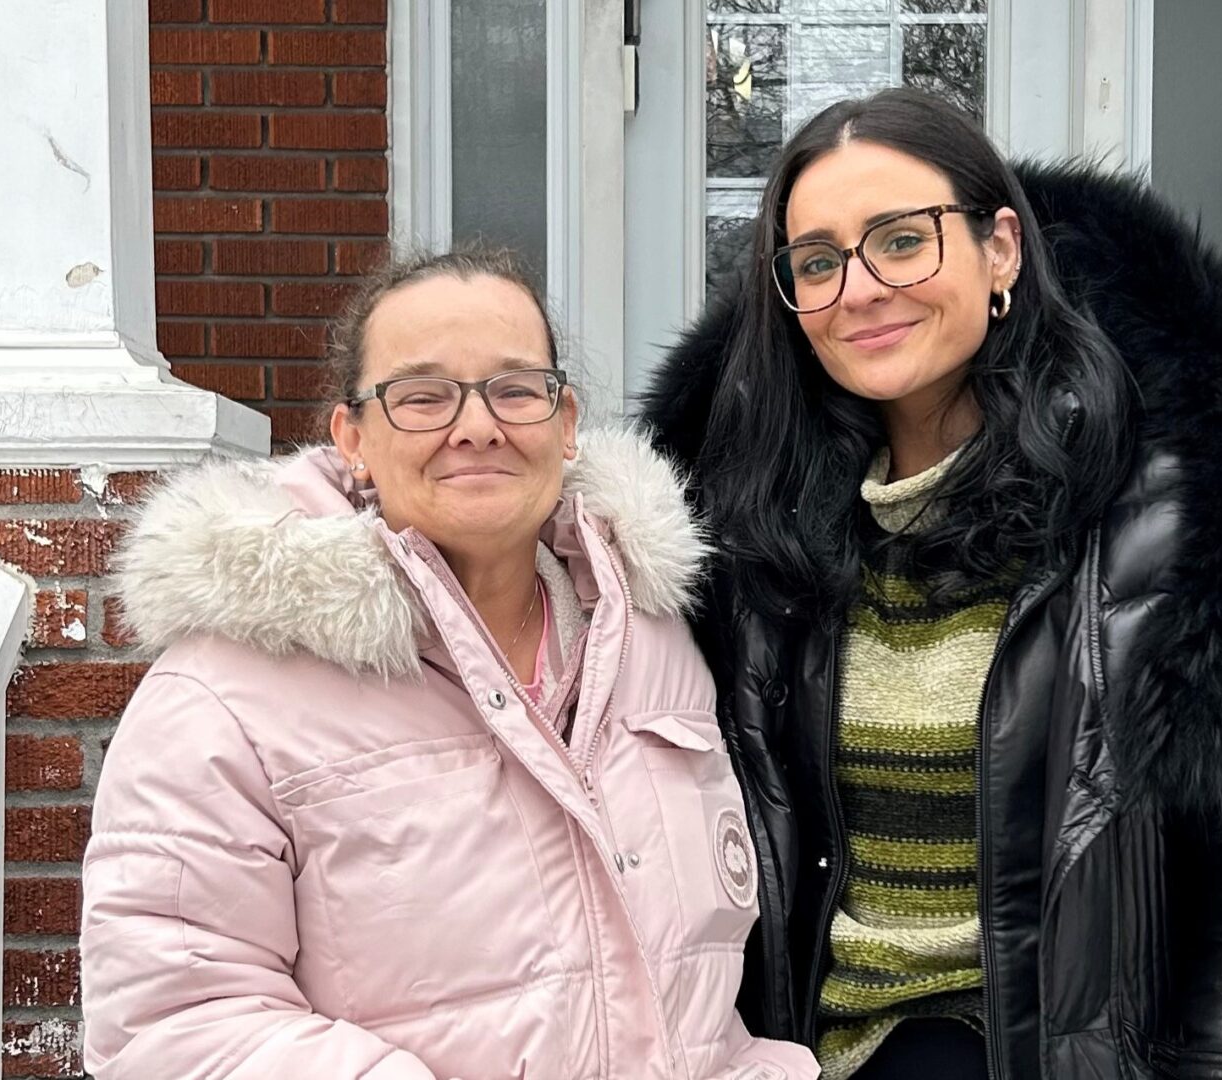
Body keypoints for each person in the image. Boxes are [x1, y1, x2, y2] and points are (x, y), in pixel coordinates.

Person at [642, 87, 1222, 1080]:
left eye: (902, 240)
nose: (861, 287)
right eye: (817, 261)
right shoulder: (741, 526)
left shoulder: (1179, 508)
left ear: (1002, 251)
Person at [80, 248, 819, 1080]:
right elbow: (174, 1025)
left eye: (514, 389)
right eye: (422, 396)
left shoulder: (656, 639)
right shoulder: (224, 696)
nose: (477, 426)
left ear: (565, 420)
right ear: (352, 437)